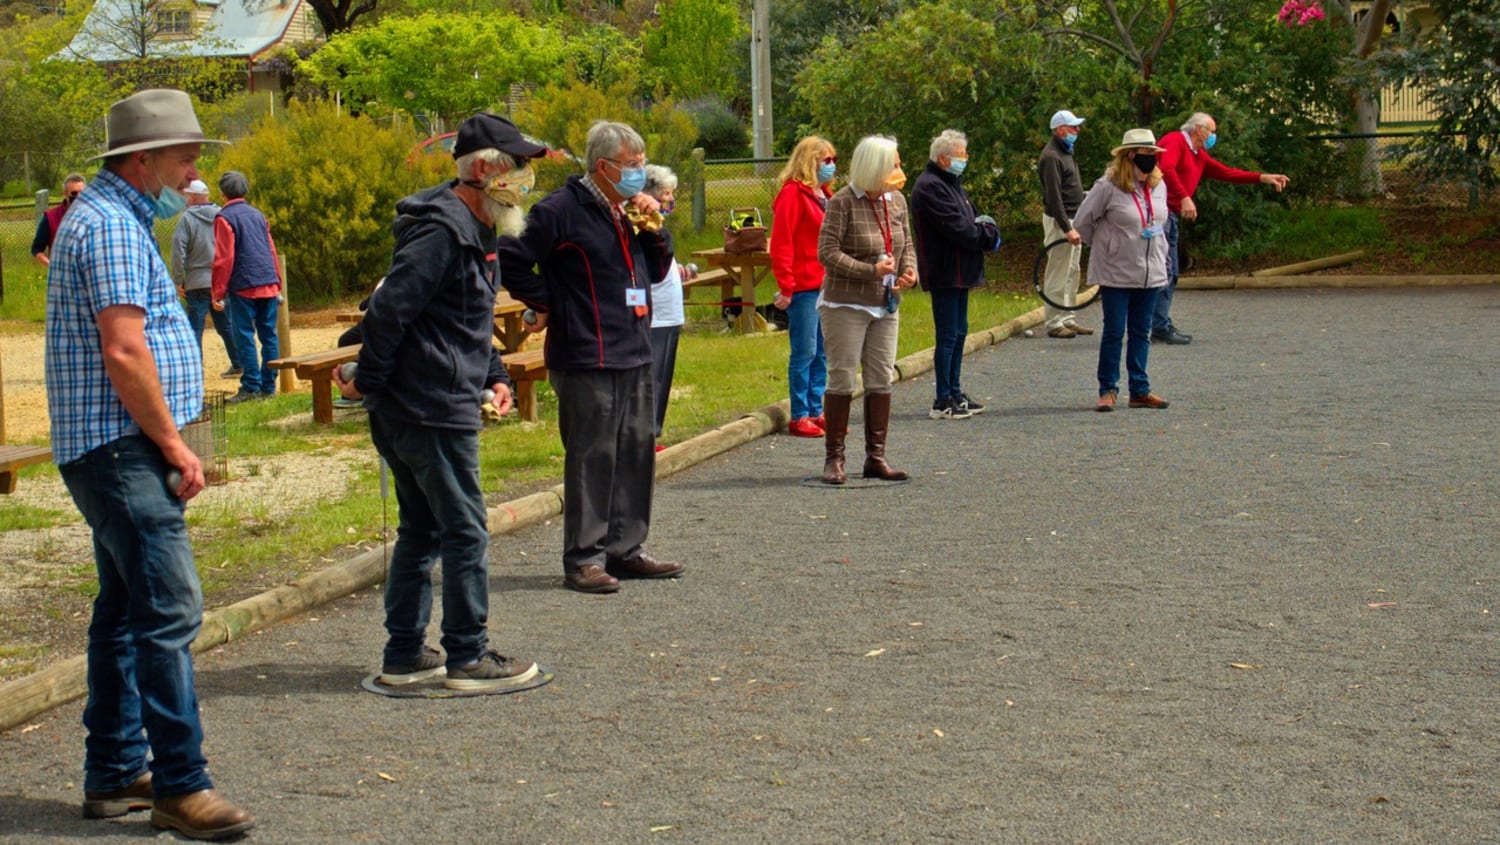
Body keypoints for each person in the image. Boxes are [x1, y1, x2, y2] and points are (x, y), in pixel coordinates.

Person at [43, 88, 252, 841]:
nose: (194, 173)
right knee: (169, 609)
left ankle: (114, 770)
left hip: (108, 440)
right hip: (119, 442)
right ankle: (180, 785)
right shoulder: (110, 229)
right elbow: (125, 349)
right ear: (142, 159)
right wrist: (172, 442)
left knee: (125, 611)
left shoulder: (108, 218)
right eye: (185, 156)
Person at [333, 112, 540, 690]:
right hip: (424, 405)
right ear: (481, 170)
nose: (524, 180)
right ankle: (467, 657)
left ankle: (403, 654)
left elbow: (471, 316)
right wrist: (371, 380)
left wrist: (494, 372)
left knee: (422, 530)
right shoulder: (442, 230)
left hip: (433, 397)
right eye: (517, 168)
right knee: (465, 529)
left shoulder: (482, 224)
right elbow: (391, 311)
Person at [498, 120, 685, 594]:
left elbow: (659, 269)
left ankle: (626, 549)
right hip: (588, 354)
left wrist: (655, 227)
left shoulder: (630, 211)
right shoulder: (560, 210)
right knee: (592, 456)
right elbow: (511, 258)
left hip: (635, 348)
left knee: (637, 449)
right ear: (603, 167)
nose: (640, 173)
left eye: (643, 164)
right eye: (632, 165)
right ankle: (584, 557)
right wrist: (552, 302)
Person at [816, 135, 918, 485]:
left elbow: (906, 243)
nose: (900, 171)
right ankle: (835, 459)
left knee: (881, 377)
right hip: (846, 303)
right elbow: (827, 253)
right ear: (874, 168)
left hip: (885, 303)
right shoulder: (843, 202)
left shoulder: (897, 201)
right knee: (842, 376)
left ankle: (876, 456)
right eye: (895, 165)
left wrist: (909, 272)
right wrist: (868, 271)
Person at [1153, 112, 1291, 345]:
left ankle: (1158, 323)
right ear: (1198, 129)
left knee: (1170, 272)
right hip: (1160, 214)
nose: (1213, 136)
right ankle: (1156, 325)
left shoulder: (1198, 154)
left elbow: (1226, 172)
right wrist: (1185, 197)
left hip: (1172, 215)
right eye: (1211, 131)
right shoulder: (1176, 141)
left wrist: (1263, 178)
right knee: (1164, 272)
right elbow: (1167, 168)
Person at [1072, 128, 1172, 412]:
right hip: (1116, 272)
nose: (1151, 159)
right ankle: (1108, 389)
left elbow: (1161, 221)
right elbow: (1083, 222)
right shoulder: (1107, 186)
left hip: (1150, 270)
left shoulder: (1158, 185)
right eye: (1146, 154)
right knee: (1115, 331)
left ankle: (1140, 389)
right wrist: (1107, 246)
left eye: (1154, 154)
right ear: (1131, 156)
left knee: (1142, 331)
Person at [911, 129, 1001, 421]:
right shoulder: (930, 187)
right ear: (943, 158)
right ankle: (942, 398)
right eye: (961, 155)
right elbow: (961, 228)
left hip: (961, 270)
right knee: (948, 334)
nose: (966, 159)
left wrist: (984, 229)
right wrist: (986, 233)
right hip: (945, 270)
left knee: (960, 332)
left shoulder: (953, 185)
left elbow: (972, 220)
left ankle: (955, 391)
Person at [770, 136, 835, 438]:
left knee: (822, 351)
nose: (831, 166)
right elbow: (782, 242)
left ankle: (816, 408)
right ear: (810, 161)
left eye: (833, 160)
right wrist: (786, 285)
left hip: (827, 285)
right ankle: (799, 413)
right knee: (804, 350)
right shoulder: (792, 195)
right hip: (804, 286)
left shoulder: (825, 195)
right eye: (826, 160)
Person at [211, 170, 283, 402]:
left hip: (244, 284)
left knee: (244, 335)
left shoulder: (225, 217)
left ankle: (251, 386)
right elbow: (271, 249)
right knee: (269, 335)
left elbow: (224, 258)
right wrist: (277, 280)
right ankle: (268, 387)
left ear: (222, 193)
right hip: (268, 281)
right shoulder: (258, 215)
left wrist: (218, 292)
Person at [640, 164, 694, 447]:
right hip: (655, 314)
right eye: (665, 194)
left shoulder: (657, 226)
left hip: (670, 313)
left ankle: (653, 432)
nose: (669, 200)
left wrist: (678, 269)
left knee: (662, 379)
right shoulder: (643, 226)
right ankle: (646, 436)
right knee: (651, 380)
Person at [170, 179, 240, 376]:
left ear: (192, 197)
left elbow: (178, 251)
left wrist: (177, 280)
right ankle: (238, 363)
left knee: (195, 328)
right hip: (220, 281)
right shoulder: (223, 215)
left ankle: (195, 370)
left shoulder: (187, 219)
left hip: (196, 282)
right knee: (226, 325)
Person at [1037, 109, 1092, 338]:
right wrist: (1067, 227)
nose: (1077, 131)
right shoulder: (1051, 156)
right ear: (1060, 130)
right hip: (1062, 221)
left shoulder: (1066, 152)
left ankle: (1067, 316)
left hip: (1074, 218)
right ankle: (1053, 322)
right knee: (1058, 272)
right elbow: (1054, 196)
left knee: (1071, 271)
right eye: (1072, 127)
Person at [32, 172, 87, 266]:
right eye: (74, 193)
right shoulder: (50, 217)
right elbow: (37, 249)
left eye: (82, 193)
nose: (78, 197)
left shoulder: (94, 216)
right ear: (65, 194)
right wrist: (52, 266)